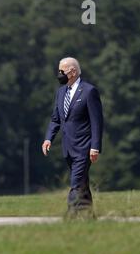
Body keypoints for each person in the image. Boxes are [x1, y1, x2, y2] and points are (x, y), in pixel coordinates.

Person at [42, 57, 104, 219]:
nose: (59, 74)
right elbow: (56, 119)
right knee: (82, 182)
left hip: (84, 147)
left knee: (76, 183)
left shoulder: (89, 91)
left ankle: (70, 215)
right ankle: (90, 216)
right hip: (68, 148)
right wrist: (48, 138)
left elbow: (97, 122)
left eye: (62, 71)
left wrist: (95, 147)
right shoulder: (61, 92)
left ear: (73, 71)